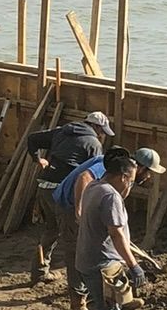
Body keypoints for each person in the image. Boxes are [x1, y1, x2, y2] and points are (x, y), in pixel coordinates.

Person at [37, 148, 159, 310]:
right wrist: (133, 265)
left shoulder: (94, 187)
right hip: (101, 263)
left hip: (88, 259)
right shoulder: (110, 196)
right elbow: (116, 234)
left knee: (112, 305)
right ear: (123, 176)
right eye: (130, 181)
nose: (130, 185)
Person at [49, 145, 164, 310]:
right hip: (71, 205)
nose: (148, 177)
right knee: (78, 253)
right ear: (139, 168)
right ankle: (78, 305)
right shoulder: (112, 168)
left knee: (112, 252)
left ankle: (122, 298)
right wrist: (80, 209)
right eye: (148, 172)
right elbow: (84, 177)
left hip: (91, 205)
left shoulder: (123, 178)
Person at [27, 109, 112, 281]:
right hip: (63, 192)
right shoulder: (93, 144)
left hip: (44, 185)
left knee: (51, 229)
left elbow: (32, 138)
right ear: (96, 128)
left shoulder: (62, 131)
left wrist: (38, 160)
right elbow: (91, 176)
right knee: (73, 236)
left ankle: (39, 271)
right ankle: (80, 281)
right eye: (102, 132)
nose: (102, 136)